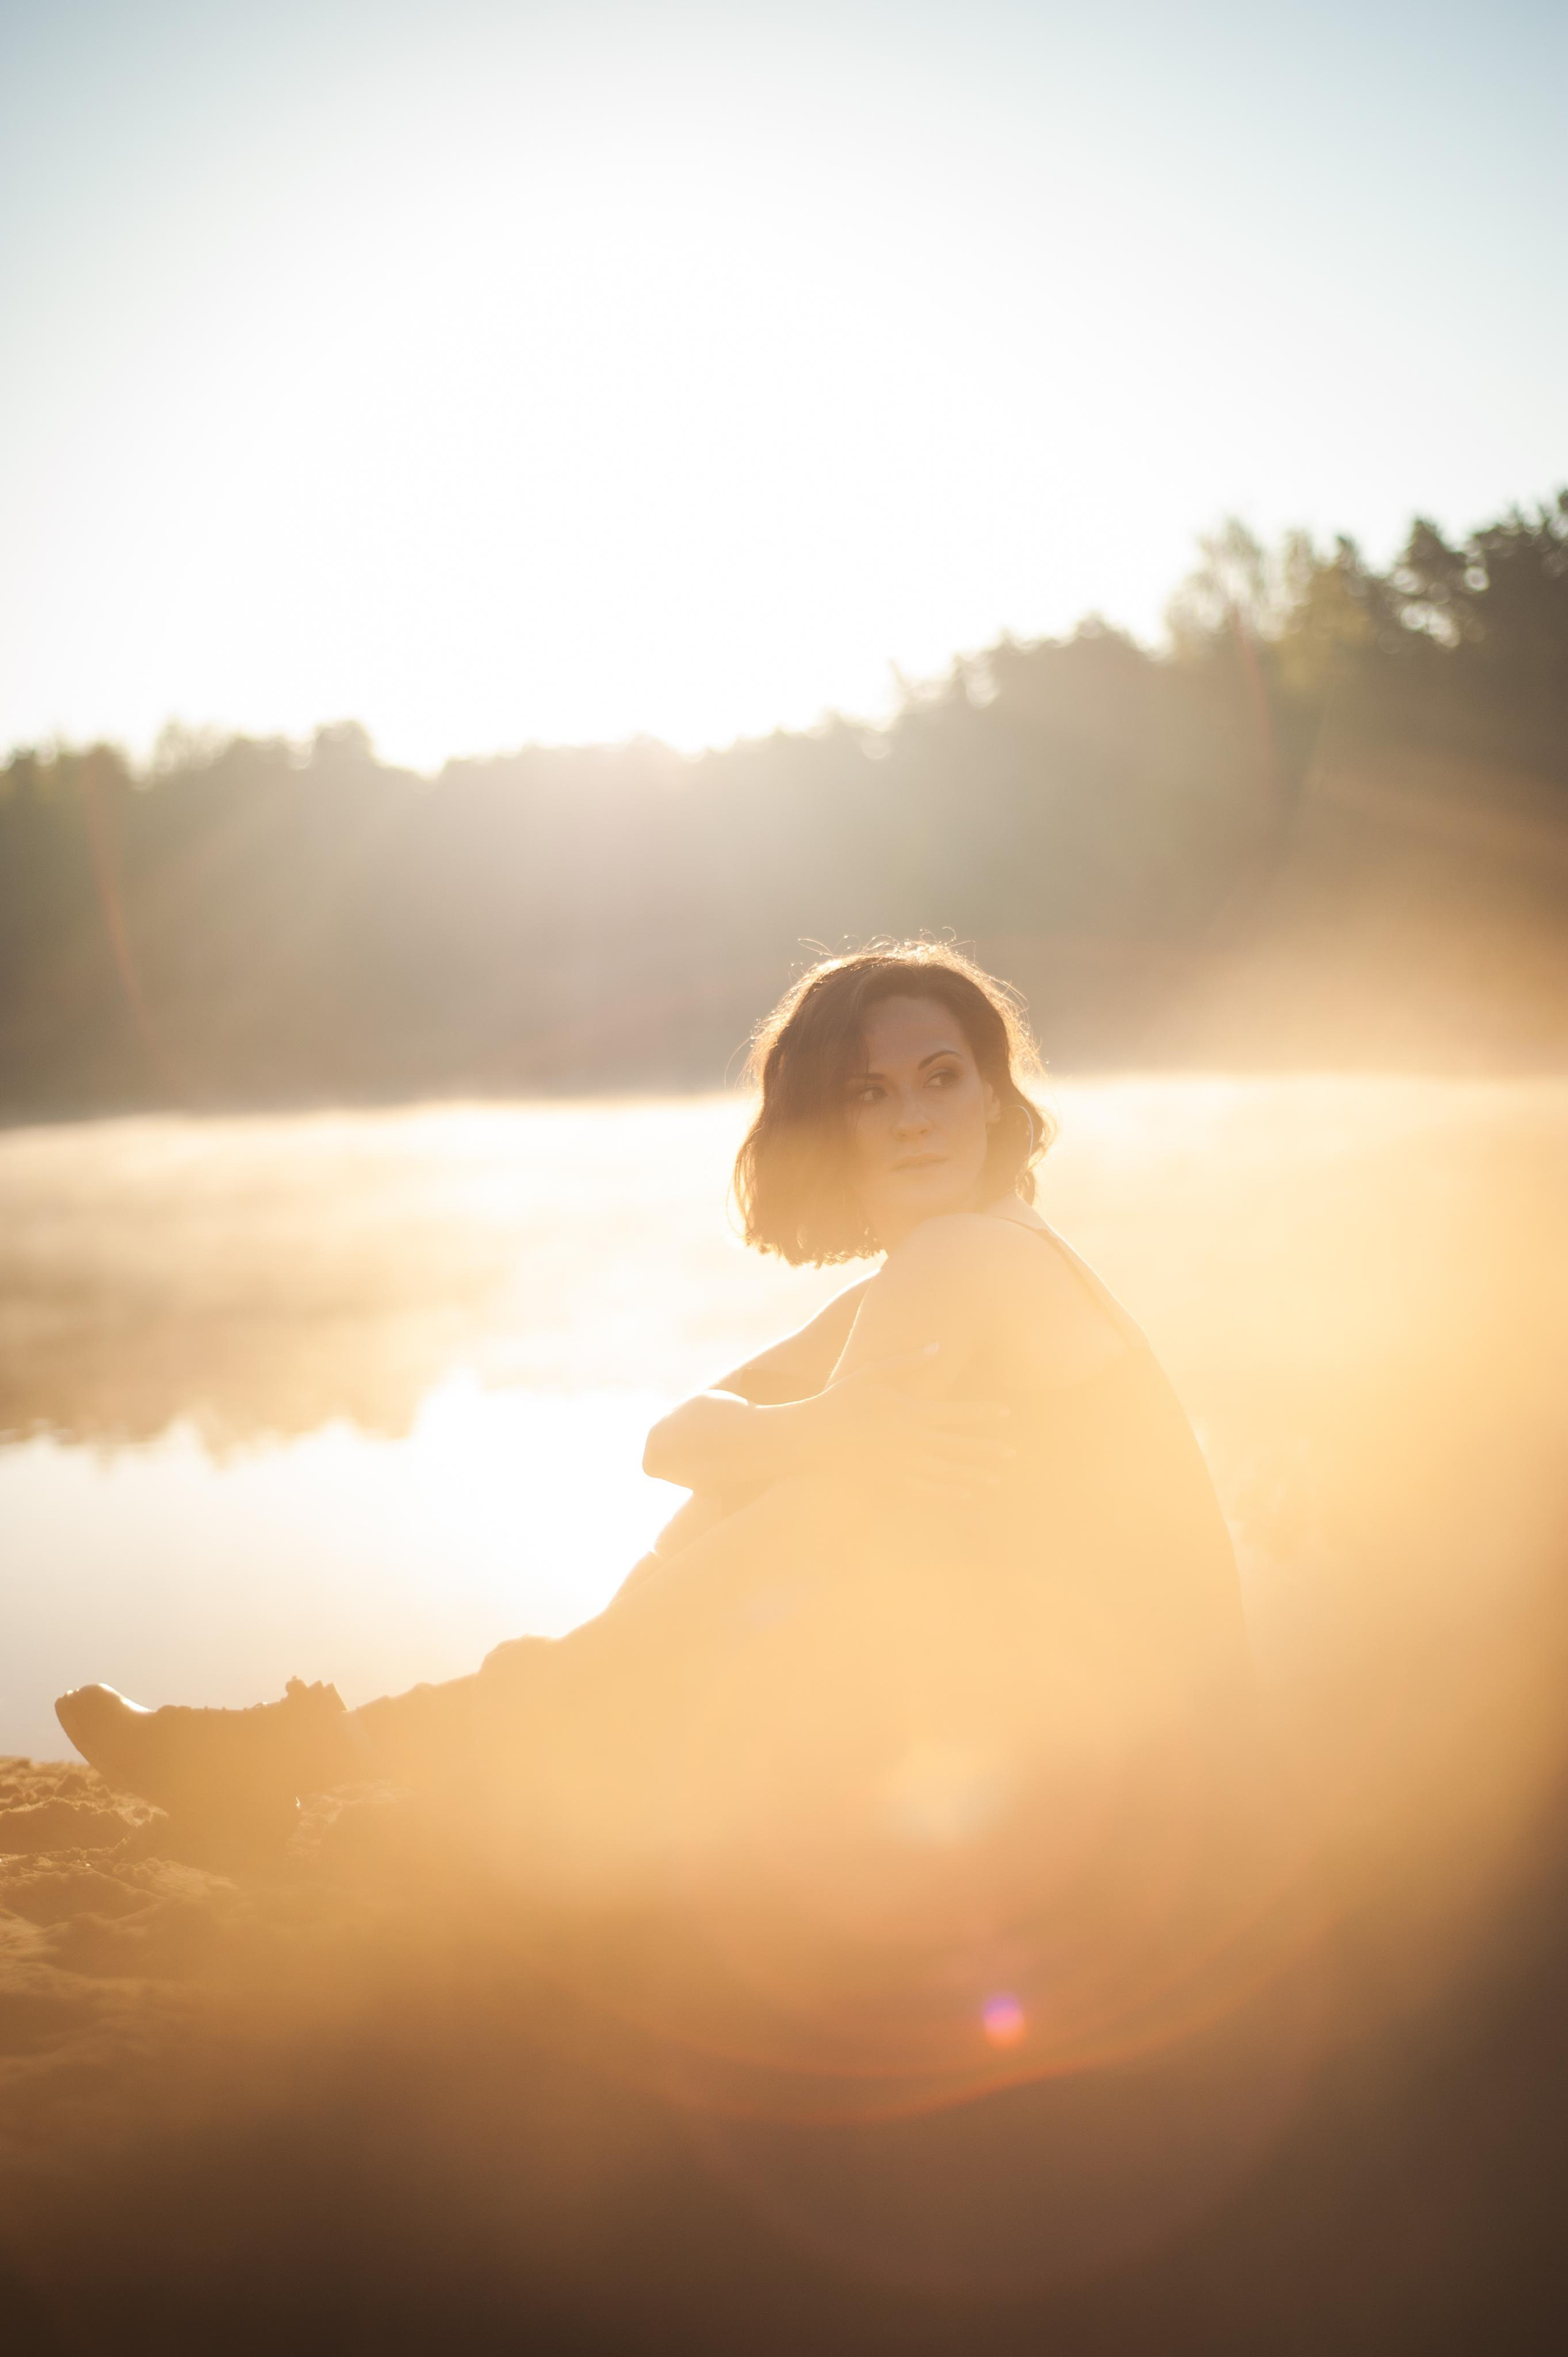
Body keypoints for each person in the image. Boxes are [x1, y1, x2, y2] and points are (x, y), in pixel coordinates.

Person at [55, 944, 1251, 1869]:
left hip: (1123, 1760)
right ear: (827, 1126)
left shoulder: (966, 1261)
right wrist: (809, 1439)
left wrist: (786, 1468)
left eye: (942, 1077)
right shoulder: (952, 1263)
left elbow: (776, 1522)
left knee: (771, 1521)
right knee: (765, 1501)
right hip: (1117, 1735)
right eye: (869, 1092)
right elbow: (674, 1436)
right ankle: (386, 1757)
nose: (911, 1115)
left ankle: (355, 1755)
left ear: (995, 1096)